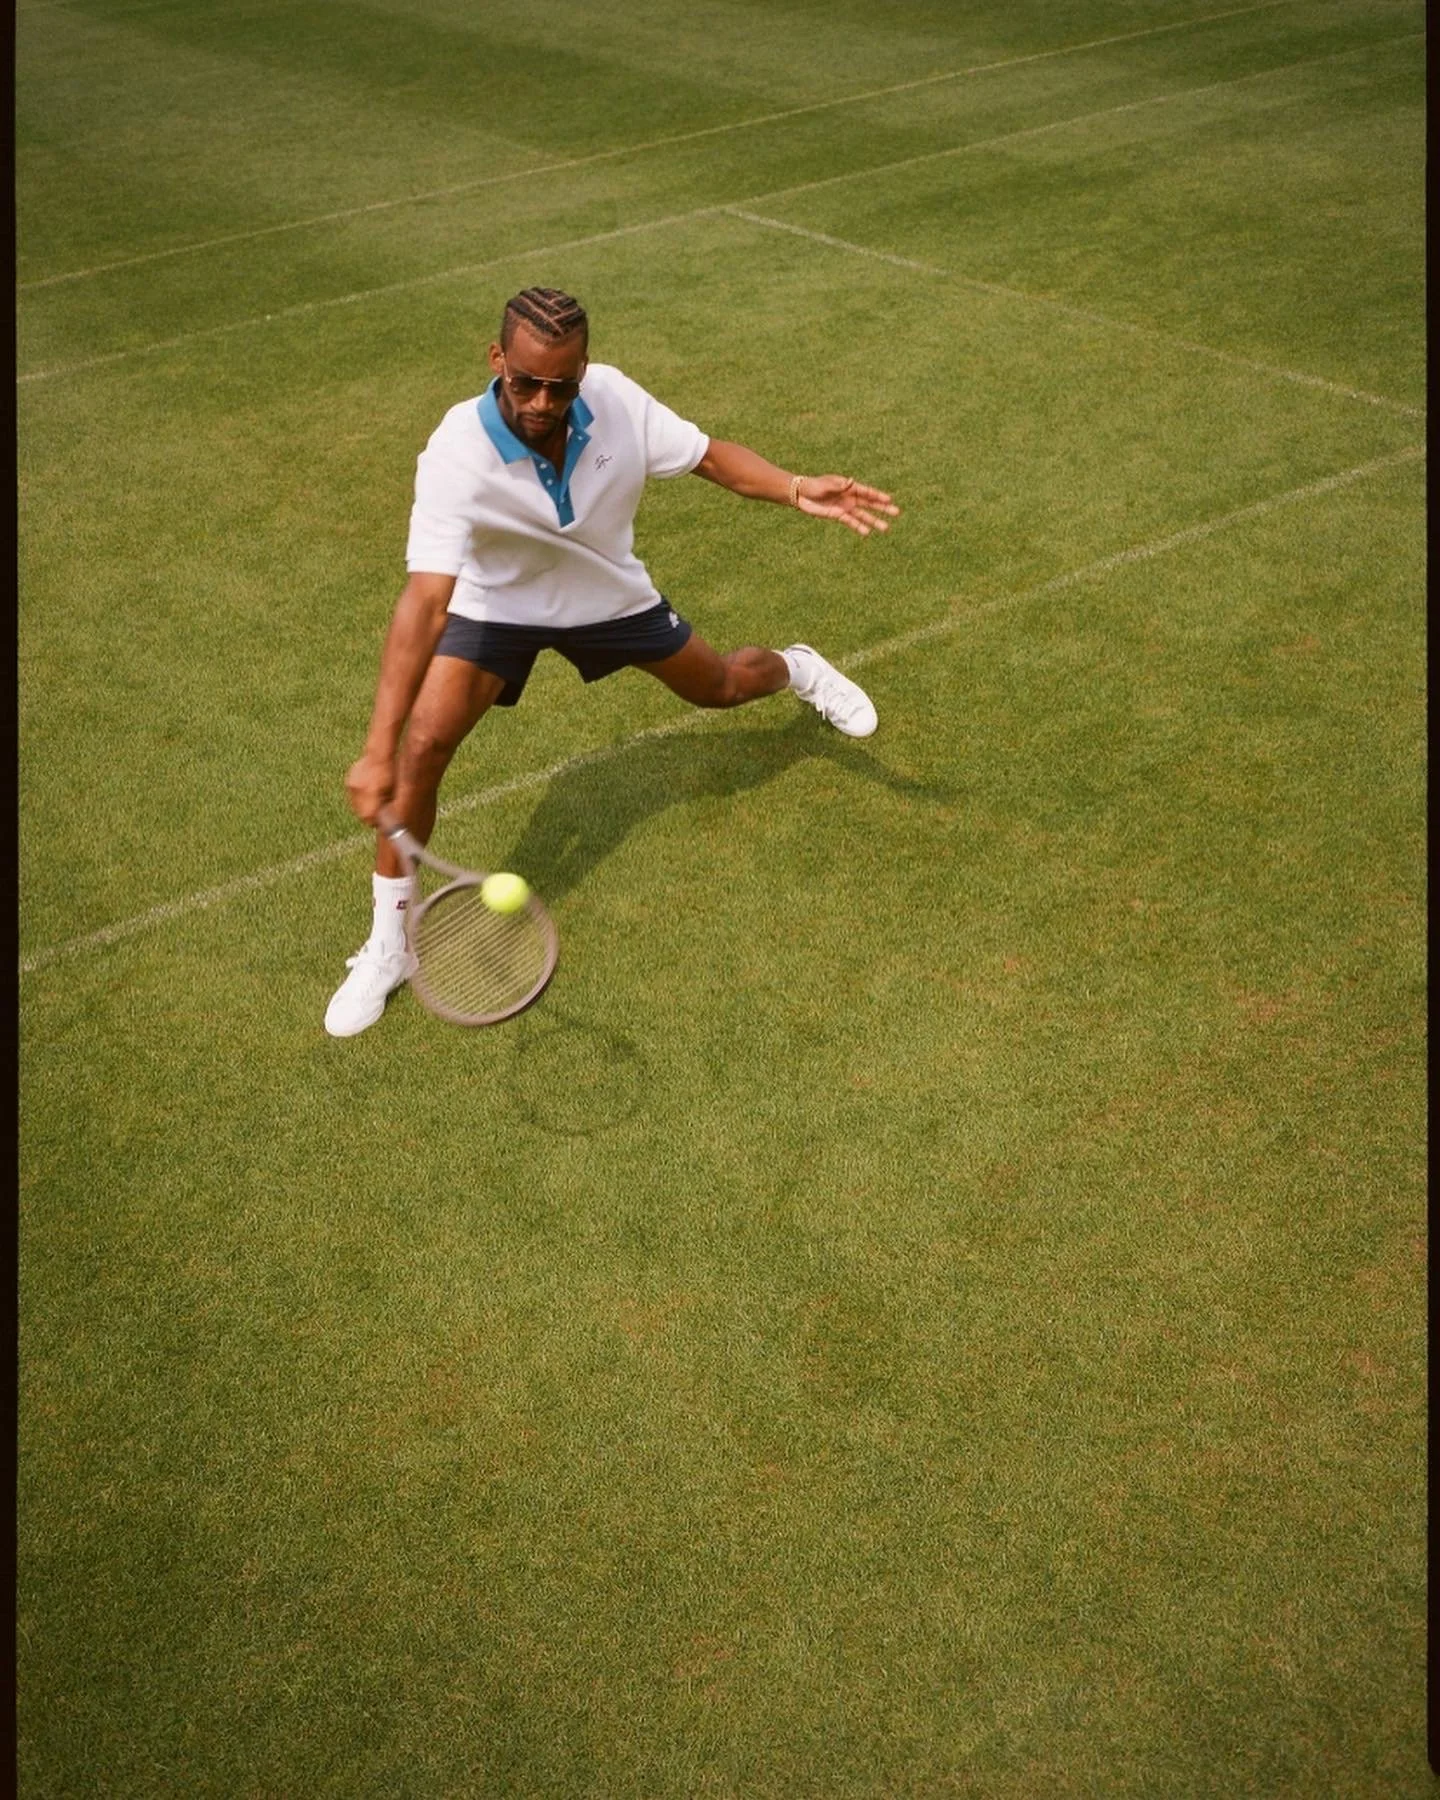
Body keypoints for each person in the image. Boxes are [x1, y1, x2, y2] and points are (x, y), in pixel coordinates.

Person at [327, 285, 900, 1037]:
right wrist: (374, 752)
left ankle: (800, 669)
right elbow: (424, 605)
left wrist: (796, 489)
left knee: (721, 685)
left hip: (607, 594)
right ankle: (387, 945)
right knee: (420, 752)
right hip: (497, 606)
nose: (540, 400)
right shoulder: (455, 455)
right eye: (524, 380)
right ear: (497, 358)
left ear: (584, 369)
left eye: (559, 385)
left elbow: (710, 459)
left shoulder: (616, 402)